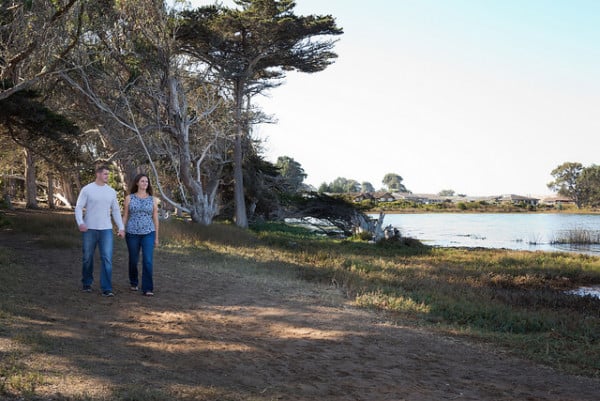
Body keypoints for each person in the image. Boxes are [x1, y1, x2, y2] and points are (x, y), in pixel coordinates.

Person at [75, 165, 125, 297]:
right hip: (89, 229)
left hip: (106, 230)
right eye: (105, 174)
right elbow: (79, 207)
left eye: (108, 174)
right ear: (97, 174)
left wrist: (121, 227)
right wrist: (80, 223)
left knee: (107, 259)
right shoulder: (87, 189)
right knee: (87, 258)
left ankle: (106, 288)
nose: (107, 176)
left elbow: (115, 210)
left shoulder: (111, 192)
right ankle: (87, 284)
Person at [122, 173, 159, 296]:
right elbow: (125, 215)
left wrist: (156, 237)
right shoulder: (129, 198)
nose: (145, 183)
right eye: (142, 181)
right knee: (133, 260)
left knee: (147, 261)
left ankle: (148, 288)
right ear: (137, 183)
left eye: (147, 182)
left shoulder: (152, 199)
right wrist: (122, 229)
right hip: (132, 233)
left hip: (149, 232)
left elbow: (155, 219)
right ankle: (134, 282)